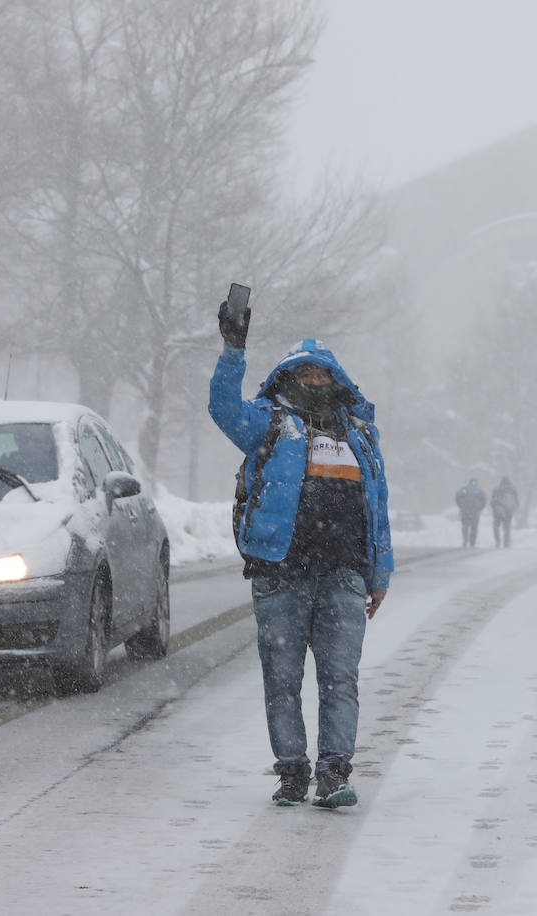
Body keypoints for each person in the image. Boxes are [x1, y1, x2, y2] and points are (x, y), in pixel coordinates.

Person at [208, 296, 392, 810]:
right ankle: (292, 771)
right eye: (303, 372)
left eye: (321, 373)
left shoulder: (359, 434)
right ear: (288, 377)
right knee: (282, 678)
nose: (313, 380)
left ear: (336, 379)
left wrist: (381, 572)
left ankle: (334, 772)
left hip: (344, 577)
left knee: (340, 679)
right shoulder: (266, 423)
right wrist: (232, 349)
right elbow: (222, 407)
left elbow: (377, 507)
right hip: (280, 574)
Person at [455, 478, 486, 547]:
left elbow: (457, 497)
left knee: (465, 525)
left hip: (465, 510)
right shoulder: (480, 490)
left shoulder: (464, 489)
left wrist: (461, 505)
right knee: (474, 527)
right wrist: (479, 508)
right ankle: (472, 542)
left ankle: (465, 539)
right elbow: (484, 501)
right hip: (475, 511)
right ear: (476, 483)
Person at [490, 476, 519, 547]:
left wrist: (495, 507)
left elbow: (492, 501)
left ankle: (497, 541)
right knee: (507, 528)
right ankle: (506, 542)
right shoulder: (513, 490)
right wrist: (514, 509)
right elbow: (516, 502)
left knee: (496, 527)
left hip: (497, 511)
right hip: (508, 511)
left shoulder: (496, 489)